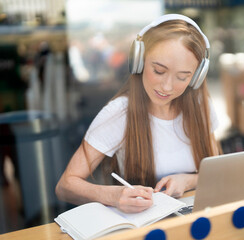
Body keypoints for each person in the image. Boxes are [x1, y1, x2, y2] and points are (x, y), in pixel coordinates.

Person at [56, 14, 220, 214]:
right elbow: (65, 186)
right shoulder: (119, 113)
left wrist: (187, 180)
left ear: (196, 77)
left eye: (182, 77)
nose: (167, 87)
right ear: (139, 61)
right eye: (159, 71)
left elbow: (216, 172)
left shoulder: (201, 106)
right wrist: (114, 196)